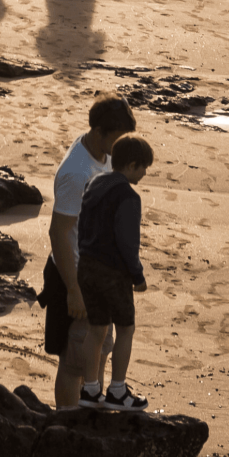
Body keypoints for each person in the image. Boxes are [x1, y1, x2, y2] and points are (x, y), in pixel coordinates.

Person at [44, 97, 140, 408]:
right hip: (74, 277)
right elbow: (58, 232)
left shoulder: (105, 154)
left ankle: (92, 415)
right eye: (118, 138)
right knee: (74, 362)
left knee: (99, 349)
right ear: (98, 132)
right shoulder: (76, 172)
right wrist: (73, 289)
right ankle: (68, 425)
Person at [74, 136, 156, 411]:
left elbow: (82, 225)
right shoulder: (128, 197)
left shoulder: (94, 184)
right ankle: (118, 390)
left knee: (96, 328)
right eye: (143, 168)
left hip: (86, 265)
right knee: (125, 329)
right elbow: (127, 241)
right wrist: (138, 276)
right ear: (132, 165)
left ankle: (89, 389)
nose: (145, 173)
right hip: (112, 271)